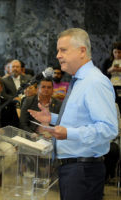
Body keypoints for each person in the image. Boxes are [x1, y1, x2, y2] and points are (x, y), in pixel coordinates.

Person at [28, 28, 118, 200]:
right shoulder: (79, 80)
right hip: (73, 169)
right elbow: (82, 117)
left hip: (83, 171)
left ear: (82, 51)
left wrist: (69, 133)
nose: (57, 56)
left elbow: (109, 129)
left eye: (63, 50)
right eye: (57, 50)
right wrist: (53, 119)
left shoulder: (95, 82)